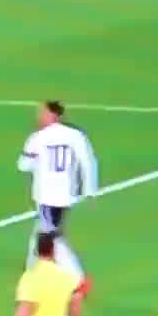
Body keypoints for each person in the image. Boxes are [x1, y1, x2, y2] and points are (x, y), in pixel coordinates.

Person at [17, 101, 97, 293]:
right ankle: (32, 269)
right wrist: (90, 189)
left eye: (43, 113)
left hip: (46, 195)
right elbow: (87, 162)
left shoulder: (38, 138)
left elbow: (23, 165)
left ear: (52, 115)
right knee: (42, 230)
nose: (39, 117)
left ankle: (77, 279)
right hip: (66, 195)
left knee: (53, 237)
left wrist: (37, 163)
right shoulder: (75, 135)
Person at [12, 233, 85, 316]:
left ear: (37, 252)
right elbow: (76, 306)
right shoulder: (66, 276)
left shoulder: (29, 278)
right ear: (53, 251)